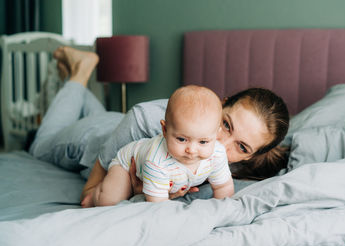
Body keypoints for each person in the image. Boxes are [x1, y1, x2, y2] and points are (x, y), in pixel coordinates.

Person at [29, 46, 290, 206]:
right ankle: (79, 74)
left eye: (242, 147)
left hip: (114, 122)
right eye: (225, 124)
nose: (220, 143)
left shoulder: (232, 161)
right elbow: (90, 196)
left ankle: (80, 93)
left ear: (253, 155)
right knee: (39, 147)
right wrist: (121, 190)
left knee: (107, 117)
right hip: (93, 138)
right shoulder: (144, 118)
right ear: (221, 105)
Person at [89, 85, 234, 206]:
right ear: (164, 130)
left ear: (216, 135)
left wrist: (221, 212)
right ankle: (95, 194)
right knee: (109, 201)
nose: (192, 150)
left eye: (203, 142)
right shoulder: (157, 161)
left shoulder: (217, 154)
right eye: (182, 139)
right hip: (127, 164)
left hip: (155, 178)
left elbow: (223, 187)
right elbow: (158, 206)